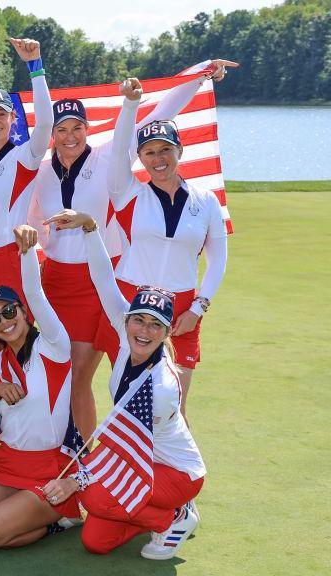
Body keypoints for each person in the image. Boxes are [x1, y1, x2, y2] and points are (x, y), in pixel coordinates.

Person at [27, 58, 236, 440]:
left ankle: (123, 461)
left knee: (126, 375)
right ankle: (78, 457)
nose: (70, 136)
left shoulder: (111, 155)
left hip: (105, 279)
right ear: (51, 134)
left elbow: (162, 112)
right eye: (62, 130)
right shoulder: (39, 172)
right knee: (69, 376)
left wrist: (200, 73)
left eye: (78, 128)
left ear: (88, 130)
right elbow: (26, 219)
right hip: (58, 281)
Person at [41, 209, 206, 560]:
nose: (143, 331)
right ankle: (150, 515)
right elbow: (104, 280)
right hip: (139, 463)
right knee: (96, 541)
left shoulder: (159, 388)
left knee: (93, 496)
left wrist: (78, 479)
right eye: (139, 321)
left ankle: (174, 515)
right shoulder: (123, 332)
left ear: (165, 333)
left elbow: (121, 448)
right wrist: (89, 227)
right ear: (127, 320)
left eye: (155, 326)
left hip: (175, 473)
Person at [95, 76, 232, 416]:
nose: (158, 159)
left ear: (179, 151)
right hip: (131, 302)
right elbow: (118, 149)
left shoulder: (207, 201)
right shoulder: (128, 193)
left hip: (184, 309)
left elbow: (217, 261)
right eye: (149, 152)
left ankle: (180, 471)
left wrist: (198, 308)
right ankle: (125, 469)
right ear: (139, 157)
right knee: (129, 403)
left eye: (165, 150)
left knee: (174, 407)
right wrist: (130, 104)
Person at [0, 226, 79, 549]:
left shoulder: (53, 346)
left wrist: (25, 253)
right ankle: (25, 510)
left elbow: (36, 292)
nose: (4, 321)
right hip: (9, 465)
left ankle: (61, 518)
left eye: (9, 311)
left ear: (24, 311)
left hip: (50, 466)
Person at [0, 38, 52, 314]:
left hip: (10, 257)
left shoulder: (24, 157)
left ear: (13, 118)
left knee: (16, 337)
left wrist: (35, 67)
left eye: (1, 115)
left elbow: (45, 123)